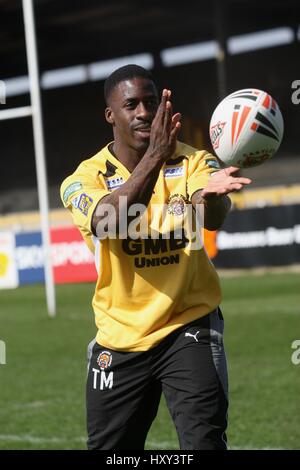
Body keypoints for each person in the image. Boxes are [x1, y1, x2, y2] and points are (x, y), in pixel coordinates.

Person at [60, 64, 251, 450]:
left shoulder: (194, 161)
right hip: (120, 337)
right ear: (110, 115)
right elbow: (109, 221)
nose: (144, 112)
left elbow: (210, 211)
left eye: (151, 102)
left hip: (188, 326)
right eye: (131, 104)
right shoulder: (84, 178)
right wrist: (155, 157)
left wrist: (212, 199)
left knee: (204, 444)